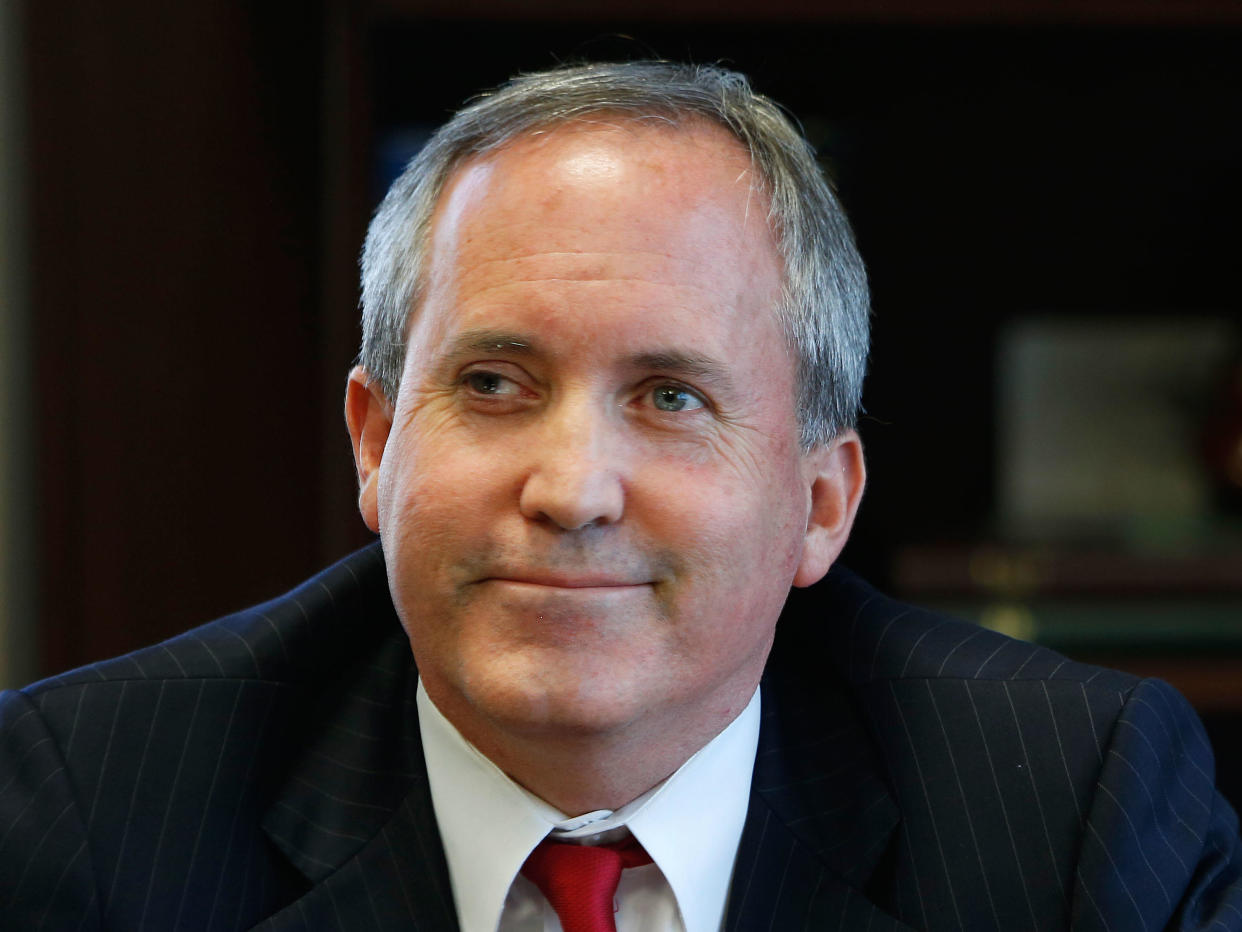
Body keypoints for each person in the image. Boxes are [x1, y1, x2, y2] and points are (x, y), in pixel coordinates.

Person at [1, 61, 1239, 932]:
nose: (572, 488)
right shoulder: (95, 809)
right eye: (492, 381)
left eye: (671, 398)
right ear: (375, 445)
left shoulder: (1070, 809)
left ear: (820, 500)